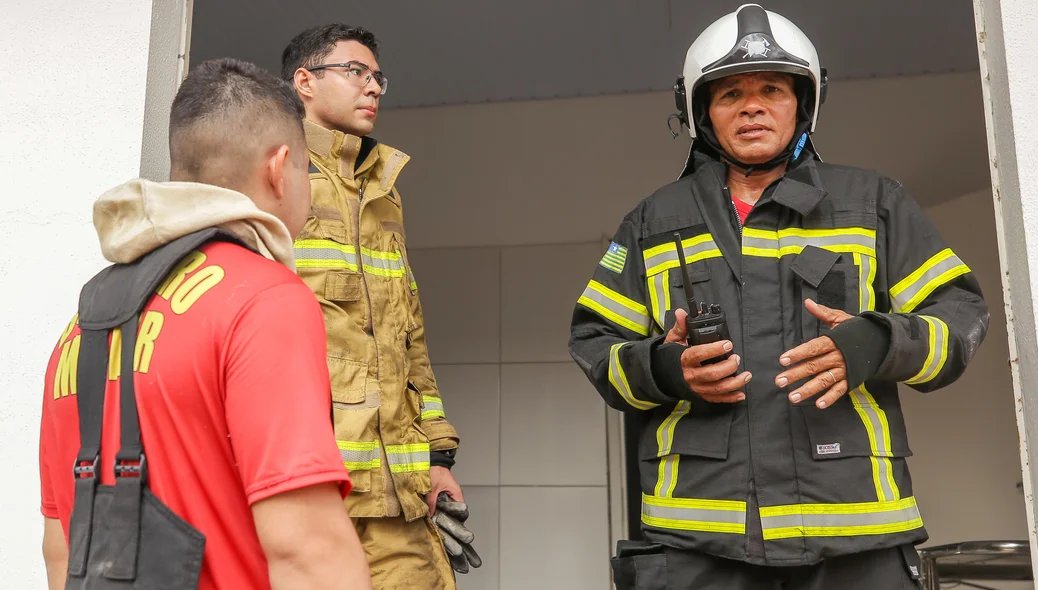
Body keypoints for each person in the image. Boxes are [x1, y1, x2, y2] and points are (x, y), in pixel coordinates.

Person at [568, 4, 989, 589]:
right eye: (729, 93)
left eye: (772, 88)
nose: (752, 106)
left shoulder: (873, 202)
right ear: (700, 113)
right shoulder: (652, 221)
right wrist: (666, 368)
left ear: (804, 104)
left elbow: (961, 315)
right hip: (697, 540)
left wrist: (876, 341)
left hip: (854, 532)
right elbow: (594, 342)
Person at [38, 58, 372, 590]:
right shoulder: (263, 300)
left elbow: (63, 549)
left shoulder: (83, 325)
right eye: (307, 172)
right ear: (277, 168)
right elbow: (307, 550)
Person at [280, 24, 479, 587]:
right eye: (354, 72)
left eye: (377, 77)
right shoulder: (274, 174)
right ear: (305, 82)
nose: (373, 88)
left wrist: (439, 459)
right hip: (313, 491)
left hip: (401, 495)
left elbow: (406, 338)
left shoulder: (383, 189)